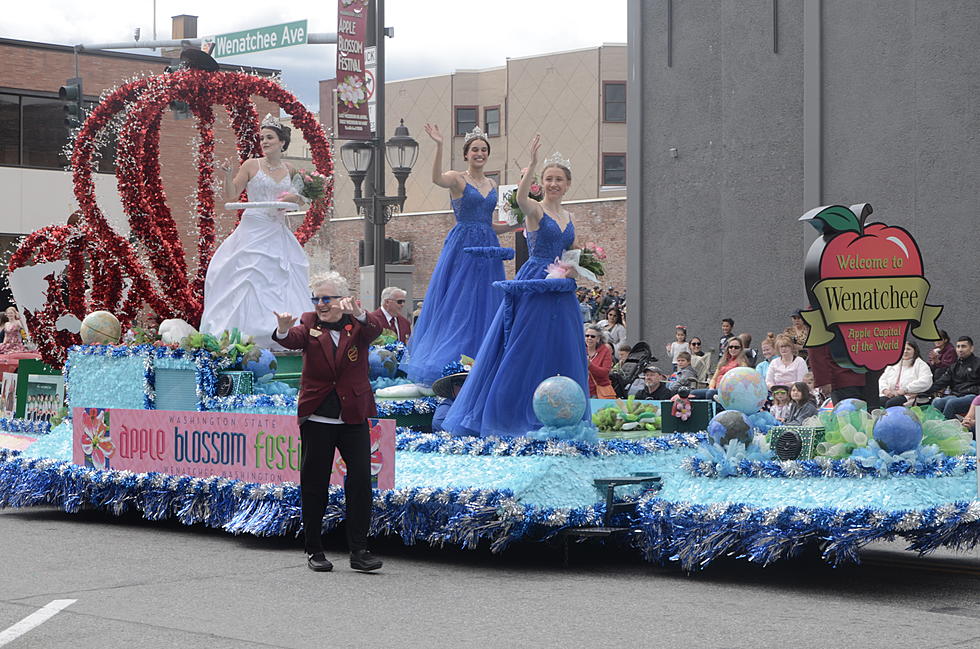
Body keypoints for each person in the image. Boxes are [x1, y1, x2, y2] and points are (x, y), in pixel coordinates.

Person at [443, 138, 589, 437]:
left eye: (558, 179)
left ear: (568, 184)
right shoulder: (535, 209)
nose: (553, 184)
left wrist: (581, 267)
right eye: (548, 179)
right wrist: (532, 167)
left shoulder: (570, 217)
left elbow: (573, 252)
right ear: (541, 183)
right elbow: (520, 200)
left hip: (561, 288)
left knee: (563, 345)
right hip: (535, 280)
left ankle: (564, 411)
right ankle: (512, 411)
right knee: (526, 346)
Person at [271, 271, 383, 573]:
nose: (320, 304)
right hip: (318, 416)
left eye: (326, 298)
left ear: (342, 299)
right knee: (315, 484)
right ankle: (315, 549)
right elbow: (292, 339)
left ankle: (359, 550)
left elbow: (375, 329)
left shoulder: (357, 324)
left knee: (360, 481)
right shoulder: (309, 323)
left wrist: (358, 312)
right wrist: (282, 329)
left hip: (353, 417)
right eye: (316, 298)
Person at [401, 124, 517, 385]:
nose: (479, 153)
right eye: (475, 149)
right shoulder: (457, 178)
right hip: (464, 246)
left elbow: (490, 224)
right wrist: (440, 145)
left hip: (488, 247)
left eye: (483, 150)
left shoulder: (493, 184)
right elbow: (435, 179)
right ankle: (450, 362)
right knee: (460, 301)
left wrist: (514, 224)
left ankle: (482, 358)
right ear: (466, 154)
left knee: (486, 300)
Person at [202, 114, 310, 349]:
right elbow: (231, 196)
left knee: (283, 278)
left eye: (270, 137)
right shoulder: (251, 165)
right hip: (253, 228)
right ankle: (240, 337)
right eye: (262, 138)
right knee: (246, 276)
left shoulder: (291, 170)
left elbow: (302, 198)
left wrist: (295, 198)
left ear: (282, 142)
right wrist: (228, 176)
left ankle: (285, 335)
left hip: (277, 230)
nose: (265, 142)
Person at [930, 336, 980, 419]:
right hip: (957, 395)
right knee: (937, 402)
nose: (960, 349)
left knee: (951, 403)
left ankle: (946, 429)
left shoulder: (978, 363)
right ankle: (936, 426)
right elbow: (941, 382)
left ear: (971, 348)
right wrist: (923, 391)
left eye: (963, 346)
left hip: (973, 396)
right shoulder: (954, 366)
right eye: (958, 346)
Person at [878, 341, 933, 407]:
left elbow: (925, 381)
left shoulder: (921, 365)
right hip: (890, 394)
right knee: (878, 402)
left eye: (908, 349)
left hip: (908, 395)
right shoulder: (894, 363)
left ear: (915, 351)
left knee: (891, 404)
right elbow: (882, 379)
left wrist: (905, 389)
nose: (905, 351)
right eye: (903, 349)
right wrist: (885, 390)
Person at [585, 324, 614, 397]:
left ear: (598, 339)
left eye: (592, 336)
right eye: (587, 336)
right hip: (583, 391)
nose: (589, 338)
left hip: (599, 393)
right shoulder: (581, 350)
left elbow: (605, 372)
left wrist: (590, 365)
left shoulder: (605, 351)